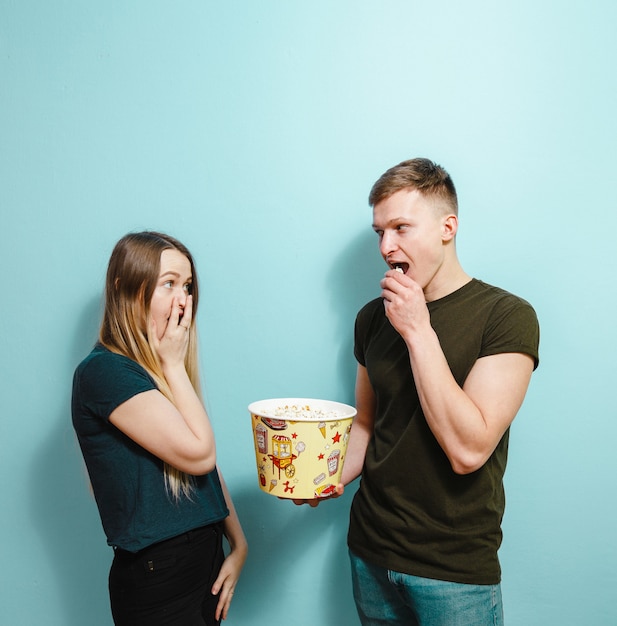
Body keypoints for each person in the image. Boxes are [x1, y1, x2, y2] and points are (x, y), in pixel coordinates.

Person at [295, 158, 539, 625]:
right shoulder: (372, 317)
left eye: (402, 228)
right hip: (369, 552)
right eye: (379, 232)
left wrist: (418, 331)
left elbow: (469, 450)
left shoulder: (507, 316)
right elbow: (368, 424)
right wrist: (324, 478)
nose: (387, 247)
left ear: (448, 227)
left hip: (453, 570)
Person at [72, 231, 247, 625]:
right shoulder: (105, 372)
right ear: (125, 288)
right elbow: (200, 454)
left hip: (203, 561)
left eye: (187, 286)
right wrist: (172, 365)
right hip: (159, 577)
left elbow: (202, 463)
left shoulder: (153, 372)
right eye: (168, 283)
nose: (183, 299)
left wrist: (238, 543)